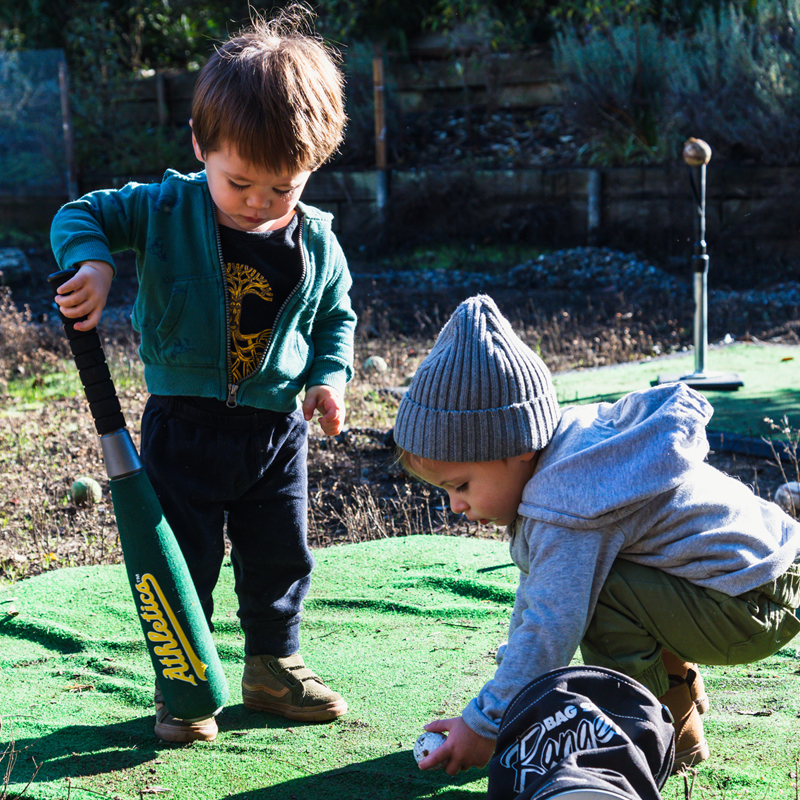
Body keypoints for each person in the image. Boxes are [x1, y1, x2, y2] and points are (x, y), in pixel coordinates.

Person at [50, 5, 356, 744]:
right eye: (240, 182)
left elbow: (336, 319)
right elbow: (79, 213)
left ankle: (273, 666)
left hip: (277, 430)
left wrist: (330, 379)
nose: (259, 204)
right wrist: (93, 262)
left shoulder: (316, 239)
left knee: (280, 555)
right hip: (183, 429)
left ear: (312, 167)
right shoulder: (165, 208)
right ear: (201, 147)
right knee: (183, 561)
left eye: (282, 187)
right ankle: (183, 686)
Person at [393, 294, 800, 776]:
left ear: (519, 448)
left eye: (460, 486)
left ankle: (652, 737)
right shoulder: (574, 451)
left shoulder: (569, 500)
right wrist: (498, 705)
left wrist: (485, 726)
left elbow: (549, 627)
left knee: (595, 598)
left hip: (751, 604)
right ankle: (676, 694)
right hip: (765, 577)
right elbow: (535, 599)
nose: (456, 506)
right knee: (595, 583)